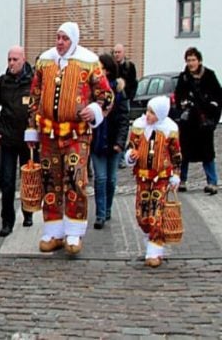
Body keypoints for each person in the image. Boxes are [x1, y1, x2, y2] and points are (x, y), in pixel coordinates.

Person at [24, 22, 113, 255]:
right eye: (58, 37)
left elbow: (106, 95)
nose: (60, 42)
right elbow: (34, 96)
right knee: (50, 180)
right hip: (48, 134)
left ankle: (74, 231)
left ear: (73, 40)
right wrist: (32, 129)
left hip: (77, 133)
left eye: (64, 38)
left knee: (75, 178)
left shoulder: (89, 62)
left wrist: (94, 109)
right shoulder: (45, 61)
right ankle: (53, 230)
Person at [124, 96, 182, 267]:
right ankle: (149, 236)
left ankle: (155, 249)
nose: (147, 115)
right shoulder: (139, 127)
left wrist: (175, 174)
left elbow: (176, 155)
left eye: (152, 113)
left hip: (161, 178)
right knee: (142, 213)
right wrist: (131, 156)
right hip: (142, 177)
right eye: (148, 111)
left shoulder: (169, 130)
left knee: (156, 212)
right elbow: (131, 146)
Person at [0, 45, 35, 237]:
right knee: (7, 182)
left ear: (23, 59)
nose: (11, 63)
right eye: (9, 60)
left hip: (28, 140)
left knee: (28, 179)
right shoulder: (2, 82)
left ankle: (28, 211)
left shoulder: (33, 81)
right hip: (7, 139)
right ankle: (7, 221)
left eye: (15, 60)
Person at [175, 47, 222, 195]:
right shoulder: (183, 77)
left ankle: (212, 182)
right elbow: (178, 96)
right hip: (189, 122)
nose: (191, 63)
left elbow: (218, 96)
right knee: (184, 152)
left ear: (199, 60)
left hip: (204, 122)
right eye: (188, 60)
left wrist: (212, 110)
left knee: (207, 153)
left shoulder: (209, 75)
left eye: (193, 60)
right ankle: (182, 180)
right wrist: (183, 106)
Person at [90, 54, 130, 229]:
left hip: (114, 141)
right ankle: (100, 215)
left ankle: (107, 209)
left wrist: (120, 142)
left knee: (111, 180)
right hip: (97, 142)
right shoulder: (92, 92)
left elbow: (123, 119)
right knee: (100, 178)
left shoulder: (118, 91)